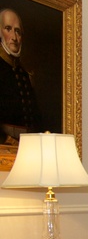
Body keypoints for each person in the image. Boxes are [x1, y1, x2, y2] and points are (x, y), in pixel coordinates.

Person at [0, 8, 43, 145]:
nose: (14, 37)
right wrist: (4, 138)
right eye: (8, 29)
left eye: (17, 31)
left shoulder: (24, 74)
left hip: (27, 145)